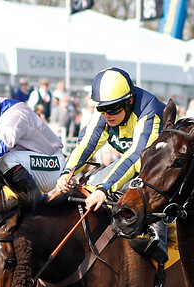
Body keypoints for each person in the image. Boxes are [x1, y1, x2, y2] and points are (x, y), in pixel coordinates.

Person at [53, 67, 167, 262]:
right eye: (102, 109)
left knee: (121, 184)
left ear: (129, 101)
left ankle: (159, 235)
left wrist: (104, 188)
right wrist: (67, 172)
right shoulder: (106, 111)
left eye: (113, 108)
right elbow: (86, 144)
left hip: (161, 165)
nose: (107, 114)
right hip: (137, 163)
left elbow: (136, 157)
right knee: (92, 180)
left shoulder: (150, 112)